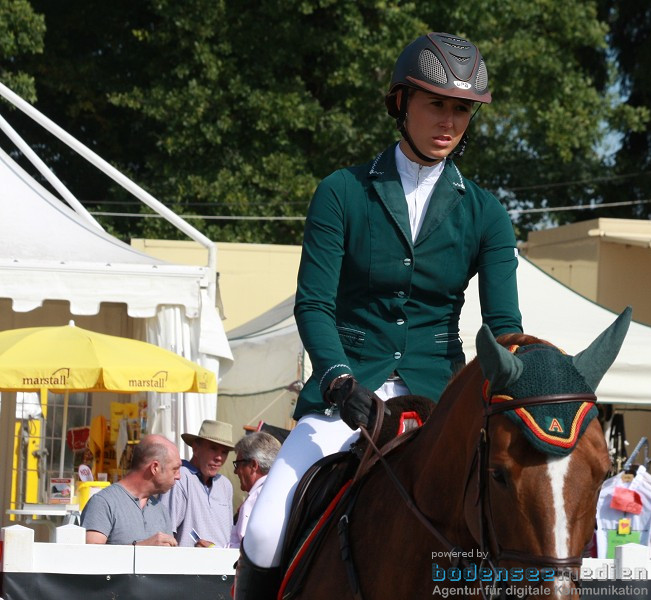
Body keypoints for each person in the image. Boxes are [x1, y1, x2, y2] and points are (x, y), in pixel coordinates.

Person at [237, 32, 522, 598]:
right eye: (435, 103)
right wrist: (339, 382)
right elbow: (313, 303)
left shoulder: (487, 214)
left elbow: (504, 329)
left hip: (438, 404)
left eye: (461, 108)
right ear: (401, 103)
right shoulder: (341, 192)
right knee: (265, 532)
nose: (448, 120)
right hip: (344, 399)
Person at [81, 434, 180, 546]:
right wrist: (141, 547)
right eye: (175, 469)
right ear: (154, 468)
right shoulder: (103, 502)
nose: (179, 476)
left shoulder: (161, 510)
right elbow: (91, 558)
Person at [160, 419, 235, 547]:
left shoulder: (225, 485)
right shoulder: (180, 478)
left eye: (224, 452)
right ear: (195, 449)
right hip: (188, 565)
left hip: (224, 565)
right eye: (213, 449)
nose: (219, 457)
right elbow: (165, 536)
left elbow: (229, 537)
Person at [228, 431, 281, 548]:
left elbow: (244, 550)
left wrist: (212, 550)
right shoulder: (280, 492)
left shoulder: (256, 498)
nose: (235, 471)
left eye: (237, 464)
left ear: (253, 465)